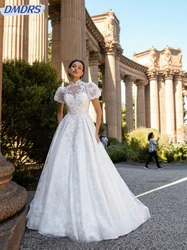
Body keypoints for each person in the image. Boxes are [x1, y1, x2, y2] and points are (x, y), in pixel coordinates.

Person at [26, 59, 151, 242]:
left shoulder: (89, 88)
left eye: (80, 67)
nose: (76, 69)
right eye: (73, 66)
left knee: (89, 164)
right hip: (67, 128)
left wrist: (96, 132)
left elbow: (98, 112)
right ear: (69, 69)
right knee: (62, 166)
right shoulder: (63, 91)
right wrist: (61, 127)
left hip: (85, 127)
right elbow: (60, 111)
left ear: (83, 72)